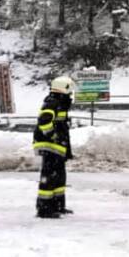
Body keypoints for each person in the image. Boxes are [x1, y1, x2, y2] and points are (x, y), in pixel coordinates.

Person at [33, 76, 74, 218]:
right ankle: (44, 209)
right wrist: (53, 135)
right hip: (50, 146)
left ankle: (58, 205)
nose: (71, 95)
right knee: (49, 177)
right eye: (70, 91)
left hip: (56, 147)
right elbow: (44, 120)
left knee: (59, 176)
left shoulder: (59, 102)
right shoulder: (53, 102)